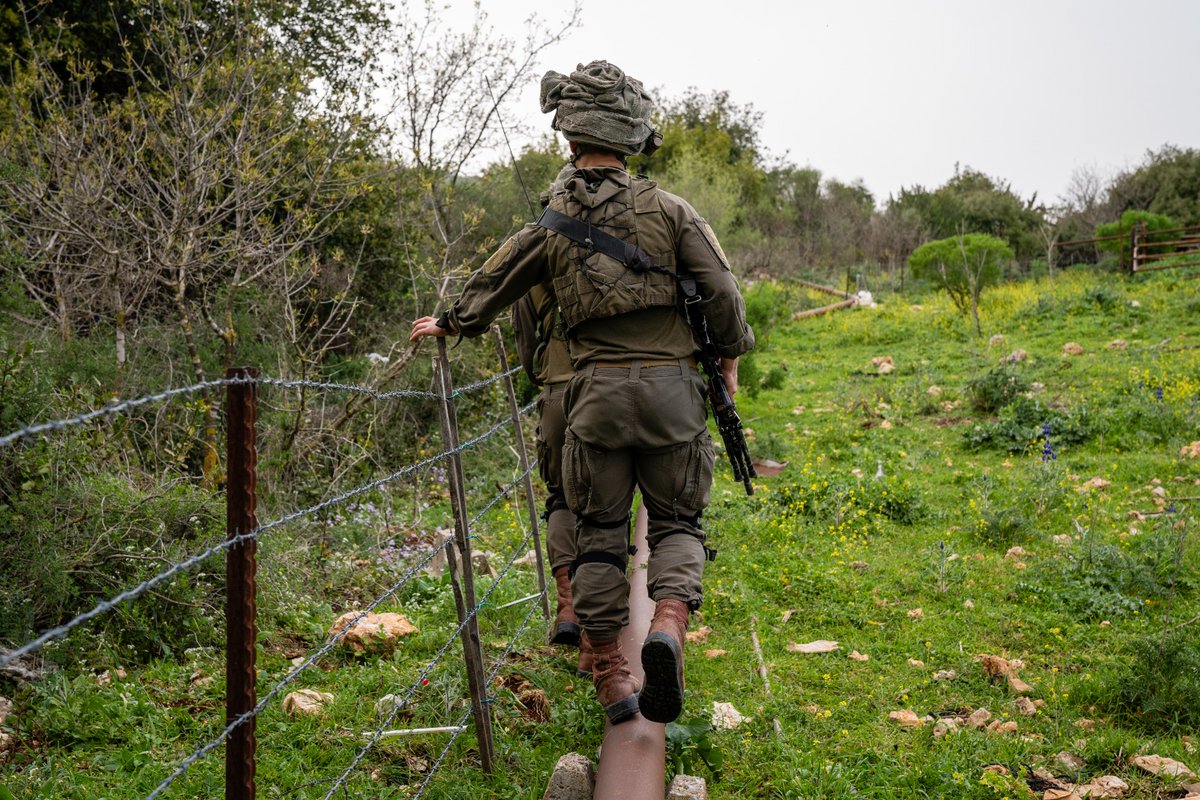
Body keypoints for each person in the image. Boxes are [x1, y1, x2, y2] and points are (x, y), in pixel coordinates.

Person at [410, 59, 754, 725]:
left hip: (593, 396)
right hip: (672, 393)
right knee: (679, 522)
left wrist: (453, 322)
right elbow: (723, 294)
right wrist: (729, 362)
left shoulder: (552, 221)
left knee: (598, 535)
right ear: (633, 141)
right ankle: (668, 627)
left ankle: (614, 682)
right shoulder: (674, 211)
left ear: (570, 143)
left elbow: (500, 277)